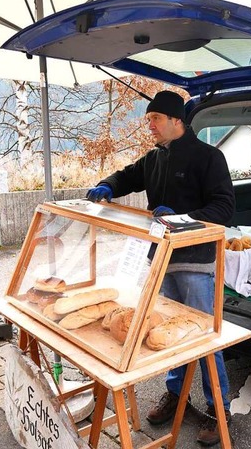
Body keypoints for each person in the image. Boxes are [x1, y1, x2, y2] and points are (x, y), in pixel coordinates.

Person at [86, 90, 235, 446]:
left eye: (155, 118)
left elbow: (224, 207)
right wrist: (108, 185)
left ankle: (220, 407)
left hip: (196, 263)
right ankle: (174, 393)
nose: (149, 125)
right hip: (162, 262)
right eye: (149, 118)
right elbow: (128, 176)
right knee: (167, 334)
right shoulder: (155, 158)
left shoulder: (208, 157)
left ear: (175, 120)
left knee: (204, 338)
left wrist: (183, 219)